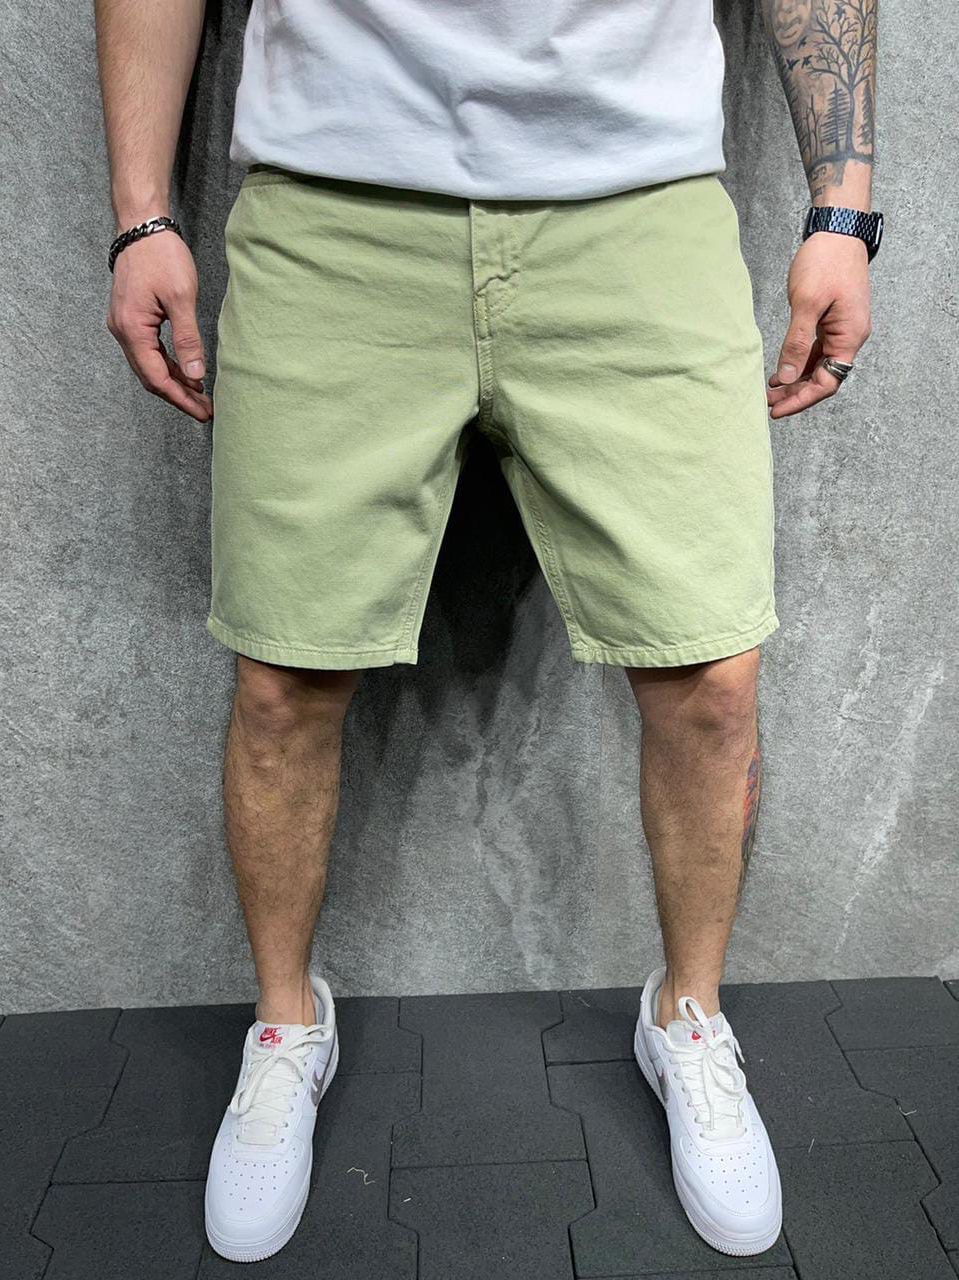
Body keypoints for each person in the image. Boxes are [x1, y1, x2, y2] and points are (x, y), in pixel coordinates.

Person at [95, 0, 881, 1263]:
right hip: (334, 206)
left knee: (712, 672)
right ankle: (288, 1024)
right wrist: (142, 213)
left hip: (639, 204)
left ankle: (687, 1015)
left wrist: (842, 212)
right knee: (283, 676)